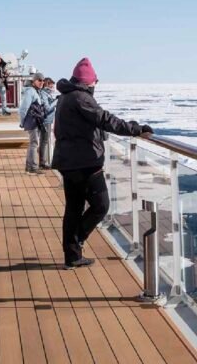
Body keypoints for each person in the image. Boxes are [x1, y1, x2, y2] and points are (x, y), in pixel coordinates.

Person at [52, 58, 153, 269]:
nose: (95, 85)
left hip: (69, 161)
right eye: (95, 82)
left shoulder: (66, 97)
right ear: (89, 82)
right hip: (84, 162)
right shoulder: (81, 98)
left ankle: (72, 254)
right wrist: (135, 129)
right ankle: (75, 243)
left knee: (74, 208)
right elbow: (105, 119)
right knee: (101, 206)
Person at [18, 73, 55, 173]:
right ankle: (33, 168)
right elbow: (23, 108)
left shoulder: (36, 91)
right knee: (34, 144)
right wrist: (22, 122)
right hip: (32, 121)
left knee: (32, 144)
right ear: (34, 81)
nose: (42, 82)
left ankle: (29, 167)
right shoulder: (30, 91)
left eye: (43, 81)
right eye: (39, 80)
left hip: (35, 121)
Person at [39, 78, 57, 168]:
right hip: (45, 120)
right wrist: (56, 102)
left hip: (48, 120)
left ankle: (43, 162)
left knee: (44, 141)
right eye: (52, 85)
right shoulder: (44, 94)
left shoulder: (46, 94)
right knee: (44, 141)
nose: (53, 87)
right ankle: (43, 162)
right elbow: (47, 108)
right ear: (47, 85)